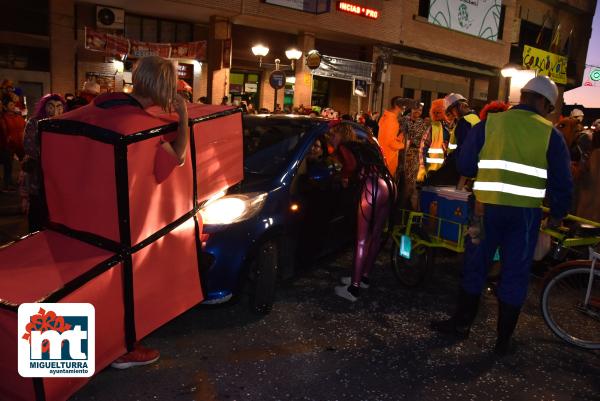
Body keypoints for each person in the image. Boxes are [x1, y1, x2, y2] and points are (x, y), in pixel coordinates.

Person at [430, 76, 573, 356]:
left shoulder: (491, 123)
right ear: (544, 102)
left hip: (485, 210)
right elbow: (563, 182)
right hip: (524, 217)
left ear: (525, 95)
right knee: (515, 274)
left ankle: (461, 325)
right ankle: (503, 341)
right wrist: (557, 214)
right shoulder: (551, 134)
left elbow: (466, 164)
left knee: (475, 266)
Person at [106, 55, 189, 368]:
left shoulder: (108, 109)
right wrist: (182, 117)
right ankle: (124, 346)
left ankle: (110, 343)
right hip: (130, 219)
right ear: (162, 86)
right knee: (129, 283)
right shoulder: (145, 126)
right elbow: (176, 158)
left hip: (96, 215)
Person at [328, 122, 396, 301]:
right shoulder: (365, 145)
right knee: (375, 235)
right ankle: (363, 277)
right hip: (388, 185)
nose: (331, 139)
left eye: (333, 135)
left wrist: (342, 176)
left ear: (341, 135)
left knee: (361, 239)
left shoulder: (345, 146)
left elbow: (350, 166)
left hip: (372, 187)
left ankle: (353, 289)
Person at [21, 94, 66, 231]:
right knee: (36, 207)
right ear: (44, 107)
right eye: (50, 106)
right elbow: (29, 146)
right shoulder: (34, 122)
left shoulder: (64, 123)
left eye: (59, 106)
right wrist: (49, 156)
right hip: (37, 173)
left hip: (57, 175)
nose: (55, 110)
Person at [378, 96, 416, 179]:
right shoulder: (390, 120)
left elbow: (388, 138)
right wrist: (405, 145)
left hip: (385, 157)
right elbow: (390, 143)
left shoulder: (388, 117)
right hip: (389, 159)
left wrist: (400, 136)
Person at [400, 103, 428, 209]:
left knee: (410, 184)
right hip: (401, 156)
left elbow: (421, 140)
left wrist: (411, 141)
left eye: (420, 110)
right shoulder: (403, 120)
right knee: (400, 182)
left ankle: (405, 208)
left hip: (414, 157)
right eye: (416, 109)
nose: (418, 112)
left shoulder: (422, 123)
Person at [1, 94, 26, 190]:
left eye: (13, 104)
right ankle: (7, 184)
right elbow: (5, 133)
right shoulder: (4, 118)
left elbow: (24, 126)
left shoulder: (18, 116)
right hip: (10, 146)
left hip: (20, 144)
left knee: (24, 164)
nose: (13, 106)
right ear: (5, 107)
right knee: (8, 166)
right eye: (11, 105)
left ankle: (22, 181)